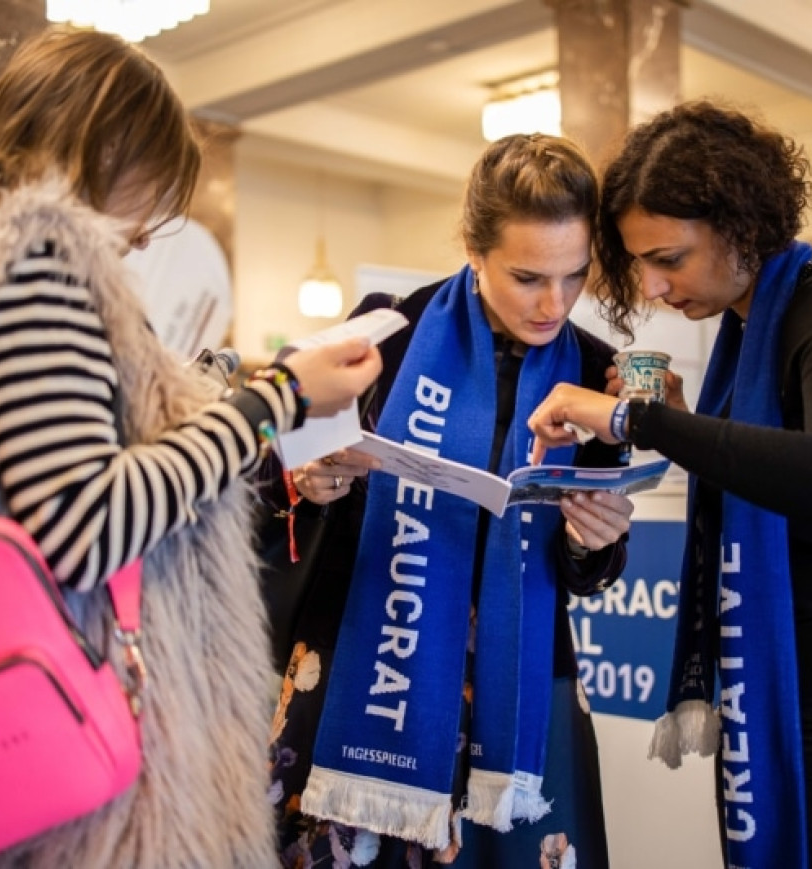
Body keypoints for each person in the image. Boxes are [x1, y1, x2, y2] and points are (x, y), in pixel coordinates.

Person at [0, 27, 380, 868]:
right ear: (104, 146)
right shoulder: (35, 254)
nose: (146, 235)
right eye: (151, 195)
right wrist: (279, 397)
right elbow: (85, 523)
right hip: (72, 763)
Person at [527, 101, 812, 869]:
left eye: (671, 257)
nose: (652, 284)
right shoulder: (749, 333)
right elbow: (777, 468)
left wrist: (635, 421)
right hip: (785, 688)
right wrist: (684, 423)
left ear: (741, 224)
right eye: (639, 262)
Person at [262, 133, 633, 868]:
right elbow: (284, 497)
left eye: (574, 274)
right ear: (473, 247)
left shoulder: (596, 370)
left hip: (516, 676)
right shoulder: (384, 337)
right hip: (368, 657)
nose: (553, 302)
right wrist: (312, 486)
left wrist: (594, 542)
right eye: (527, 276)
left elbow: (591, 572)